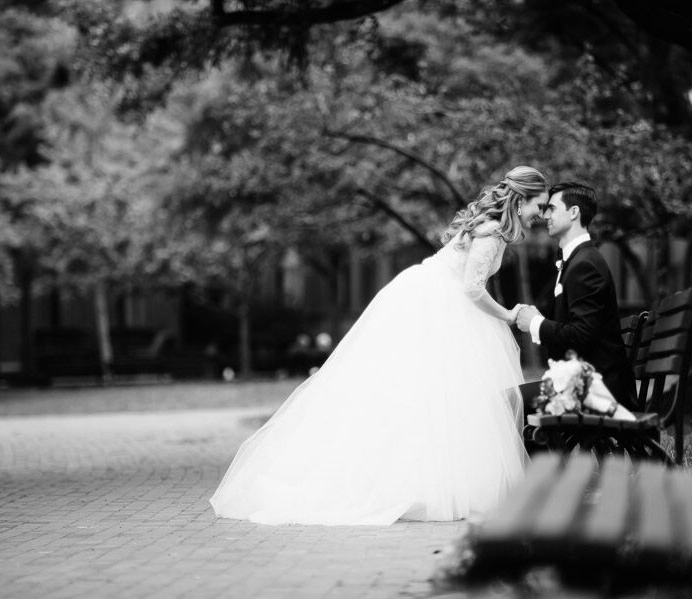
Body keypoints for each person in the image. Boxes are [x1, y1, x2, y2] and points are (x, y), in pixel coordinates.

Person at [209, 166, 548, 526]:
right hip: (439, 307)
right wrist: (508, 316)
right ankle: (415, 485)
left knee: (431, 397)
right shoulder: (493, 232)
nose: (540, 215)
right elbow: (472, 288)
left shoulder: (490, 227)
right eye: (538, 206)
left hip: (430, 296)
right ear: (520, 199)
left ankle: (429, 482)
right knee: (434, 395)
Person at [513, 182, 636, 406]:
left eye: (551, 208)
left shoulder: (585, 264)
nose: (544, 215)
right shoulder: (577, 261)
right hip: (586, 380)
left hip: (598, 388)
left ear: (573, 212)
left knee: (507, 402)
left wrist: (535, 323)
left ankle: (548, 442)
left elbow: (580, 335)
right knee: (509, 400)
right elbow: (577, 331)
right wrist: (538, 322)